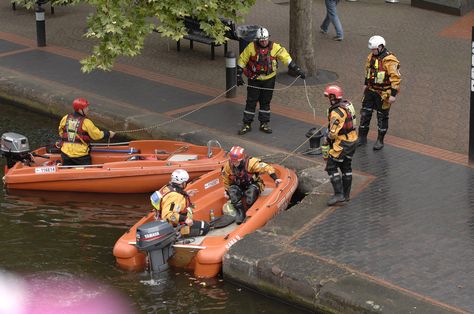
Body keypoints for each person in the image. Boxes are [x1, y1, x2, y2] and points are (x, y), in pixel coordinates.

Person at [236, 27, 305, 135]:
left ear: (268, 38)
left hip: (269, 79)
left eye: (265, 39)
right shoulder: (251, 47)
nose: (263, 42)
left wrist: (297, 69)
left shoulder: (275, 47)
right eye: (261, 40)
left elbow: (286, 58)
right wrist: (238, 74)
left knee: (265, 102)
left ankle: (264, 123)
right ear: (258, 39)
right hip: (255, 79)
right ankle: (247, 124)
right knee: (251, 101)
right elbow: (242, 59)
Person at [357, 35, 401, 150]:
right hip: (370, 91)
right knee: (365, 114)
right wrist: (365, 84)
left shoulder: (390, 60)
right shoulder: (370, 57)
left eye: (374, 49)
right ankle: (362, 137)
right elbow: (368, 71)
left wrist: (393, 95)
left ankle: (380, 140)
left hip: (383, 94)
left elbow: (395, 78)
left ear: (381, 47)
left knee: (382, 117)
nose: (372, 51)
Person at [222, 146, 282, 224]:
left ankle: (252, 209)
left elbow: (267, 168)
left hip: (253, 184)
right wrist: (227, 191)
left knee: (250, 195)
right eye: (233, 161)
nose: (234, 163)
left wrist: (275, 178)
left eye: (236, 161)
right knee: (232, 191)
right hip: (239, 185)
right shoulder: (228, 166)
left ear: (242, 159)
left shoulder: (251, 163)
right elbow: (225, 178)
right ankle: (241, 212)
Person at [320, 85, 357, 206]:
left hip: (342, 143)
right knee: (346, 166)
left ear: (332, 97)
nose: (328, 99)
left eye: (329, 96)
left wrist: (327, 138)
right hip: (352, 140)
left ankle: (339, 194)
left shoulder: (336, 112)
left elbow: (333, 132)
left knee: (331, 166)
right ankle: (346, 195)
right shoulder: (347, 105)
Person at [150, 169, 210, 237]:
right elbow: (168, 215)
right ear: (182, 183)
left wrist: (186, 193)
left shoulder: (167, 187)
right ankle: (181, 234)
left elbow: (169, 198)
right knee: (205, 227)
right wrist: (185, 219)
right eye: (185, 182)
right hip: (172, 226)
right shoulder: (175, 196)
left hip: (162, 221)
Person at [58, 98, 115, 165]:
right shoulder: (86, 122)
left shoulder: (65, 118)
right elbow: (97, 135)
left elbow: (61, 132)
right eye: (86, 108)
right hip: (80, 156)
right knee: (85, 169)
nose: (88, 109)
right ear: (80, 110)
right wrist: (108, 134)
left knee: (67, 169)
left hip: (65, 154)